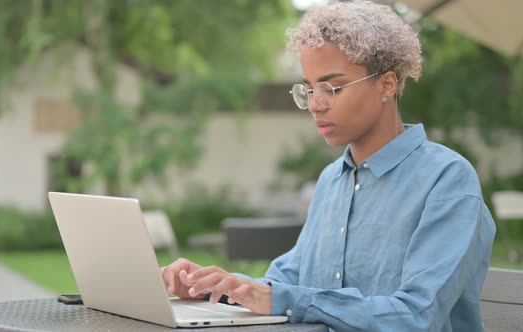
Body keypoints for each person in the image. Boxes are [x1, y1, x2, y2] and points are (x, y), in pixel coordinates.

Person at [161, 1, 496, 331]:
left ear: (387, 84)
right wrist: (210, 286)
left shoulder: (447, 180)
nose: (315, 106)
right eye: (307, 89)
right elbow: (284, 283)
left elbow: (414, 317)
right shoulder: (331, 180)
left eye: (331, 88)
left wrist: (286, 298)